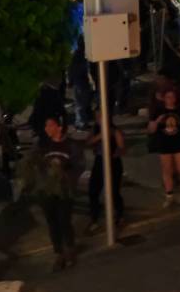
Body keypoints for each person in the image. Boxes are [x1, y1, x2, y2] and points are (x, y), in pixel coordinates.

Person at [19, 115, 81, 271]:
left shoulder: (71, 146)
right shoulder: (43, 145)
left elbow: (78, 166)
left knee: (64, 221)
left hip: (64, 190)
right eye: (46, 126)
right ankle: (59, 252)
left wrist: (64, 171)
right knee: (52, 222)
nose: (47, 129)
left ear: (60, 127)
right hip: (46, 190)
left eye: (51, 125)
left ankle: (69, 250)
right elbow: (32, 161)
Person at [149, 88, 180, 207]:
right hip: (164, 144)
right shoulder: (158, 111)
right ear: (164, 99)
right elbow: (151, 129)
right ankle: (169, 195)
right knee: (167, 170)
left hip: (179, 143)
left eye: (172, 97)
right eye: (168, 97)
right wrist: (157, 121)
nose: (170, 100)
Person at [86, 112, 125, 235]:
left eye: (101, 117)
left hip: (113, 163)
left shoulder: (115, 131)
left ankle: (119, 214)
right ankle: (94, 219)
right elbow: (88, 142)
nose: (99, 119)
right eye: (97, 117)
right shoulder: (95, 129)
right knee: (93, 191)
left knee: (113, 191)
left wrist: (115, 153)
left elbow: (122, 147)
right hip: (99, 162)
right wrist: (100, 136)